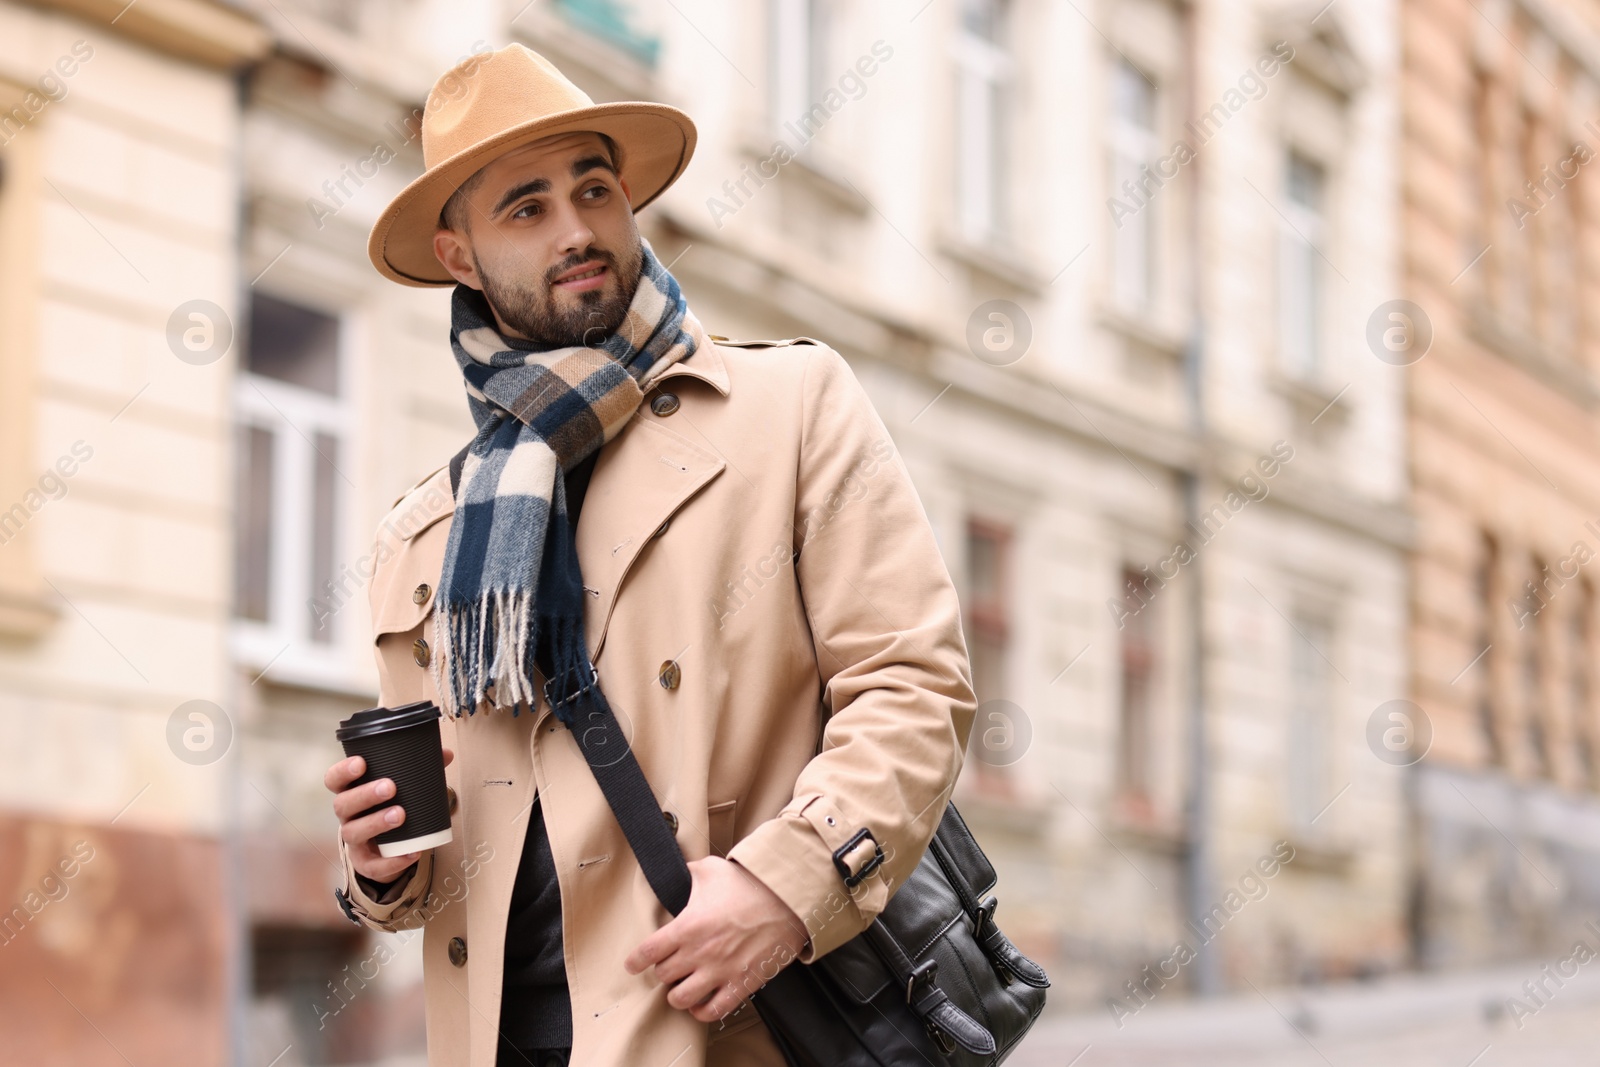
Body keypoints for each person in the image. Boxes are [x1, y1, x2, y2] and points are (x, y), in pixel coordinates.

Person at [323, 43, 977, 1067]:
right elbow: (459, 860)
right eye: (526, 208)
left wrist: (785, 883)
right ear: (459, 258)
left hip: (729, 1022)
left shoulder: (788, 410)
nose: (578, 228)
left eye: (594, 189)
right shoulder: (429, 530)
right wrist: (377, 867)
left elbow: (913, 681)